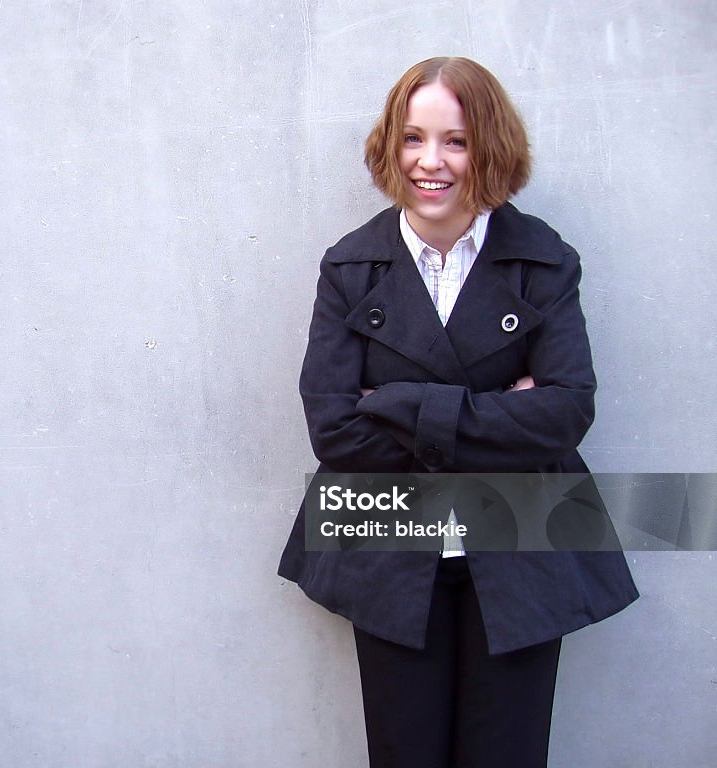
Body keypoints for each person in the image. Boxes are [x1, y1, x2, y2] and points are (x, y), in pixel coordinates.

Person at [277, 57, 639, 768]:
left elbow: (566, 413)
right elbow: (334, 429)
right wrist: (500, 414)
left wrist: (401, 405)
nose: (430, 162)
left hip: (522, 538)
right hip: (384, 537)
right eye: (413, 139)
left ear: (490, 148)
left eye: (456, 141)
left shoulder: (544, 259)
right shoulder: (350, 267)